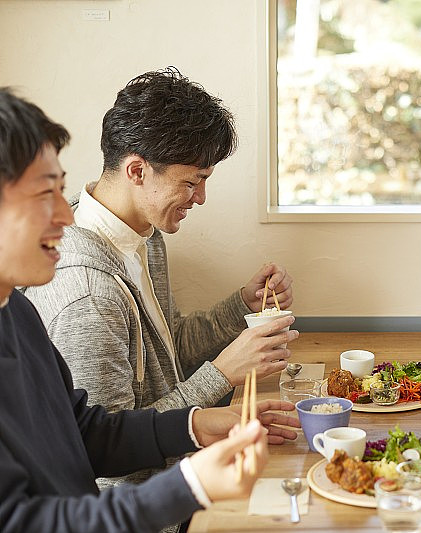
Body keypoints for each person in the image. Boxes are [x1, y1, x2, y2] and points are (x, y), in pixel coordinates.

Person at [0, 87, 301, 532]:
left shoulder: (16, 314)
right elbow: (75, 498)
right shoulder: (85, 293)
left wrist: (197, 425)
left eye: (63, 192)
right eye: (46, 194)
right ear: (137, 171)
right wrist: (192, 482)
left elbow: (88, 430)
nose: (66, 214)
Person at [24, 67, 296, 419]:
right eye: (192, 182)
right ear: (137, 171)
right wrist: (223, 374)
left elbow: (169, 350)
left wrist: (243, 303)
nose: (200, 198)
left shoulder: (144, 233)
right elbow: (111, 455)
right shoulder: (89, 296)